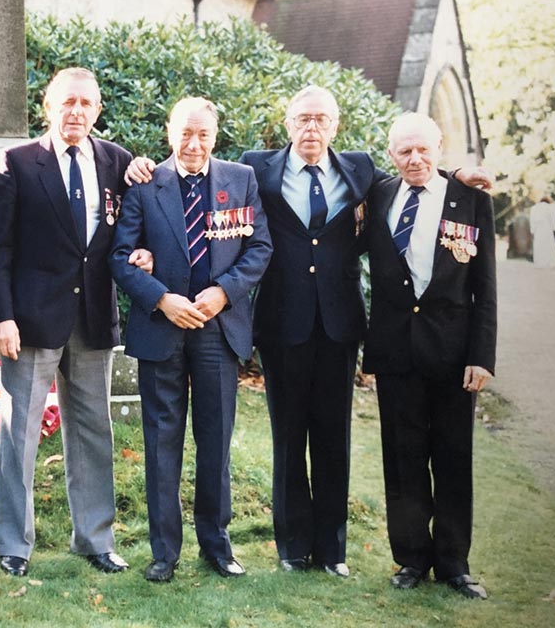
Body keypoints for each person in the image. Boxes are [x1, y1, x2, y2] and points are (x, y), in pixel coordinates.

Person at [126, 85, 492, 577]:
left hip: (339, 325)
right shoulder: (256, 168)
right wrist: (138, 165)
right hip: (282, 323)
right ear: (289, 124)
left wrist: (458, 176)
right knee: (287, 440)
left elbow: (416, 174)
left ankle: (333, 551)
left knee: (332, 440)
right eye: (303, 120)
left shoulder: (360, 170)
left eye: (322, 120)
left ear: (336, 126)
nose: (312, 129)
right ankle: (292, 548)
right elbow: (198, 174)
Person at [0, 67, 149, 578]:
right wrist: (1, 317)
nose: (76, 112)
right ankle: (14, 543)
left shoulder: (118, 161)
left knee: (94, 430)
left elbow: (141, 224)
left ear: (98, 110)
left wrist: (144, 252)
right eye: (67, 102)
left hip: (95, 317)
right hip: (31, 321)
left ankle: (95, 539)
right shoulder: (15, 162)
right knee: (19, 434)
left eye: (86, 104)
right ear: (47, 105)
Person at [109, 97, 272, 583]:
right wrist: (162, 300)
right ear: (169, 132)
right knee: (161, 443)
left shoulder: (240, 179)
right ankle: (164, 551)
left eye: (203, 134)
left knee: (215, 441)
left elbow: (259, 246)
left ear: (215, 135)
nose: (194, 144)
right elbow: (120, 256)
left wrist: (224, 293)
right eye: (185, 133)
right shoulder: (144, 185)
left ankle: (217, 546)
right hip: (162, 329)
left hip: (218, 329)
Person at [362, 112, 496, 599]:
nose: (414, 160)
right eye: (404, 152)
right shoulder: (378, 195)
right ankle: (412, 559)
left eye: (423, 150)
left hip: (454, 354)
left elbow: (485, 287)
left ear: (440, 147)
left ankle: (455, 564)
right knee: (404, 461)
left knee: (453, 459)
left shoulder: (471, 200)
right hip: (397, 352)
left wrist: (482, 356)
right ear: (390, 155)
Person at [529, 195, 555, 266]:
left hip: (538, 229)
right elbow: (553, 219)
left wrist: (532, 230)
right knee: (548, 244)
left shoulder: (534, 208)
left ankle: (539, 261)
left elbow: (532, 220)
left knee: (539, 245)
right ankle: (549, 261)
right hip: (547, 228)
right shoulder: (551, 208)